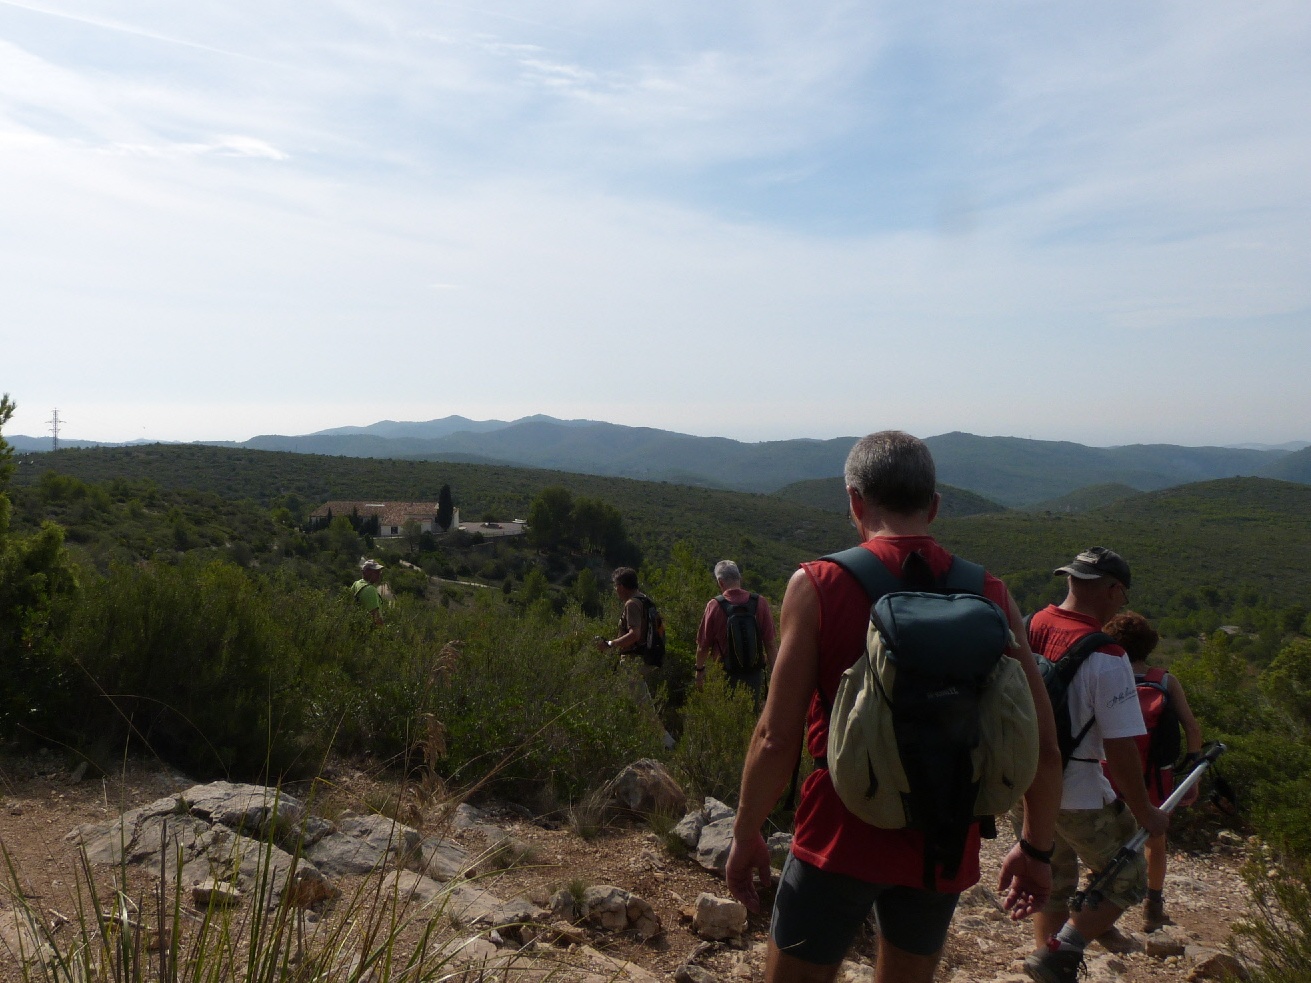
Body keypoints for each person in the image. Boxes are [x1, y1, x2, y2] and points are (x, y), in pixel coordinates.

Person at [725, 431, 1062, 983]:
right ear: (934, 506)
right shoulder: (990, 593)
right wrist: (1036, 849)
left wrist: (746, 832)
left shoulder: (818, 584)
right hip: (945, 836)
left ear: (854, 501)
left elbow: (774, 738)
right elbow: (1043, 744)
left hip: (840, 831)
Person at [1023, 548, 1170, 983]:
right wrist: (1145, 811)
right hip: (1079, 790)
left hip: (1026, 783)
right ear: (1114, 590)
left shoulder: (1028, 626)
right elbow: (1121, 747)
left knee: (1052, 878)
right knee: (1128, 878)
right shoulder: (1108, 655)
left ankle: (1048, 965)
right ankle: (1061, 950)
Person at [1103, 611, 1204, 931]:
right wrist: (1192, 773)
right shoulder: (1164, 681)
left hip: (1106, 774)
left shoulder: (1103, 677)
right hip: (1154, 778)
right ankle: (1153, 907)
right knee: (1155, 841)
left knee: (1104, 843)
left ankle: (1100, 909)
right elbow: (1192, 728)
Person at [595, 567, 675, 750]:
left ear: (621, 586)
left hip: (633, 661)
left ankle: (667, 745)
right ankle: (639, 742)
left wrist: (610, 644)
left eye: (615, 586)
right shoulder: (645, 600)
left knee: (641, 707)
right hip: (646, 658)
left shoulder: (631, 604)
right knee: (633, 703)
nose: (615, 590)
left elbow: (635, 635)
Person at [694, 560, 779, 700]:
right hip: (754, 674)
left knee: (726, 711)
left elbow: (703, 646)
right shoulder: (760, 602)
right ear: (740, 578)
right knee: (752, 710)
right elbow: (770, 644)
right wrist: (776, 678)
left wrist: (699, 672)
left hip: (724, 673)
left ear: (720, 582)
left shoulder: (714, 605)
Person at [352, 559, 385, 627]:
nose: (379, 574)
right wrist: (383, 632)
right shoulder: (370, 589)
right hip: (368, 629)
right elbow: (375, 617)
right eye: (376, 571)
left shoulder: (356, 583)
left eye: (379, 571)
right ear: (365, 572)